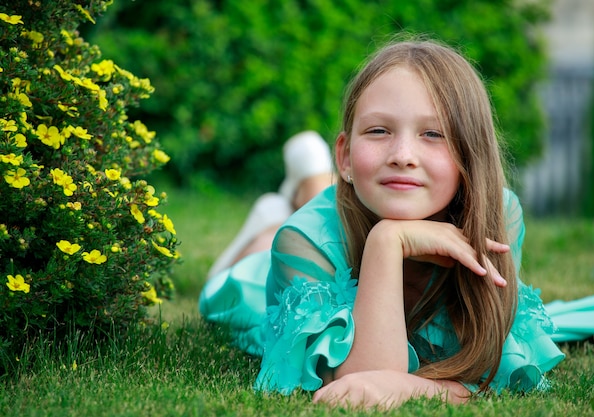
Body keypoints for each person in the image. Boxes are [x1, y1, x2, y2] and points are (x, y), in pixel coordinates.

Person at [199, 37, 565, 410]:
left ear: (471, 156)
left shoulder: (499, 215)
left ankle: (304, 182)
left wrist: (411, 388)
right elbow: (359, 389)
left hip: (340, 215)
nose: (403, 156)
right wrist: (388, 241)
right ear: (343, 157)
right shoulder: (302, 242)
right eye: (378, 131)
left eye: (433, 134)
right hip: (278, 276)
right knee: (225, 289)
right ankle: (272, 216)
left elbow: (494, 369)